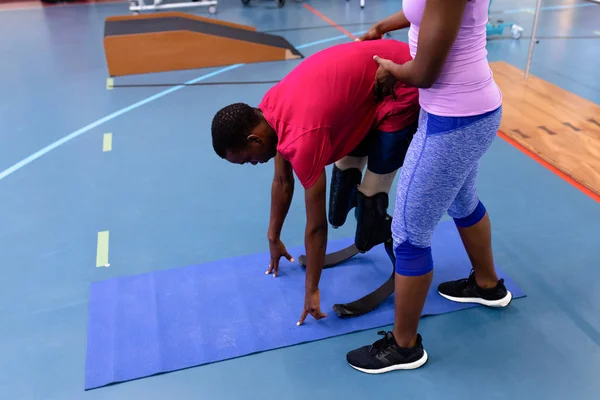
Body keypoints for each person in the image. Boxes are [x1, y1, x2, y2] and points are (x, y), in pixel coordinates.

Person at [344, 0, 513, 374]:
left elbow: (424, 73)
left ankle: (404, 347)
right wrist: (382, 26)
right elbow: (425, 10)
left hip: (453, 120)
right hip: (467, 112)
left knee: (408, 233)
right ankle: (488, 286)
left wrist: (392, 71)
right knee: (463, 202)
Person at [211, 39, 420, 325]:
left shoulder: (300, 138)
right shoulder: (268, 111)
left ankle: (391, 240)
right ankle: (369, 227)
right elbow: (282, 182)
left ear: (254, 139)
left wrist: (311, 289)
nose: (254, 164)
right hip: (367, 93)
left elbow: (316, 227)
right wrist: (273, 236)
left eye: (248, 159)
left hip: (402, 80)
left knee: (370, 197)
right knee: (343, 184)